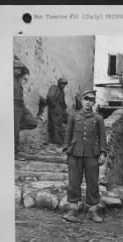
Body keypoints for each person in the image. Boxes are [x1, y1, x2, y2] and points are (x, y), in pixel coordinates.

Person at [62, 90, 107, 223]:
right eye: (86, 99)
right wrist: (66, 150)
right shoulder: (73, 116)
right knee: (74, 181)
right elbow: (67, 135)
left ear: (94, 102)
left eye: (91, 100)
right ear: (82, 100)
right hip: (75, 152)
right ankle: (73, 209)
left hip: (92, 154)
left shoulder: (98, 118)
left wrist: (103, 153)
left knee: (92, 182)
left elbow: (102, 138)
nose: (88, 102)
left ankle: (92, 210)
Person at [14, 55, 38, 160]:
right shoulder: (8, 78)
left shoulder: (19, 80)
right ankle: (14, 153)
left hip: (21, 105)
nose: (18, 71)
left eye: (20, 69)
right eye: (16, 69)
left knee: (32, 122)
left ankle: (15, 127)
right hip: (13, 106)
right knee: (14, 133)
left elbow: (26, 70)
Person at [38, 78, 69, 145]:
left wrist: (64, 109)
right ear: (59, 83)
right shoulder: (54, 87)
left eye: (65, 84)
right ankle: (57, 141)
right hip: (54, 109)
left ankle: (57, 141)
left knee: (58, 124)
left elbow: (63, 102)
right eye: (62, 84)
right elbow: (49, 97)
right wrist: (55, 105)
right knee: (55, 125)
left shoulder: (62, 92)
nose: (63, 85)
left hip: (59, 109)